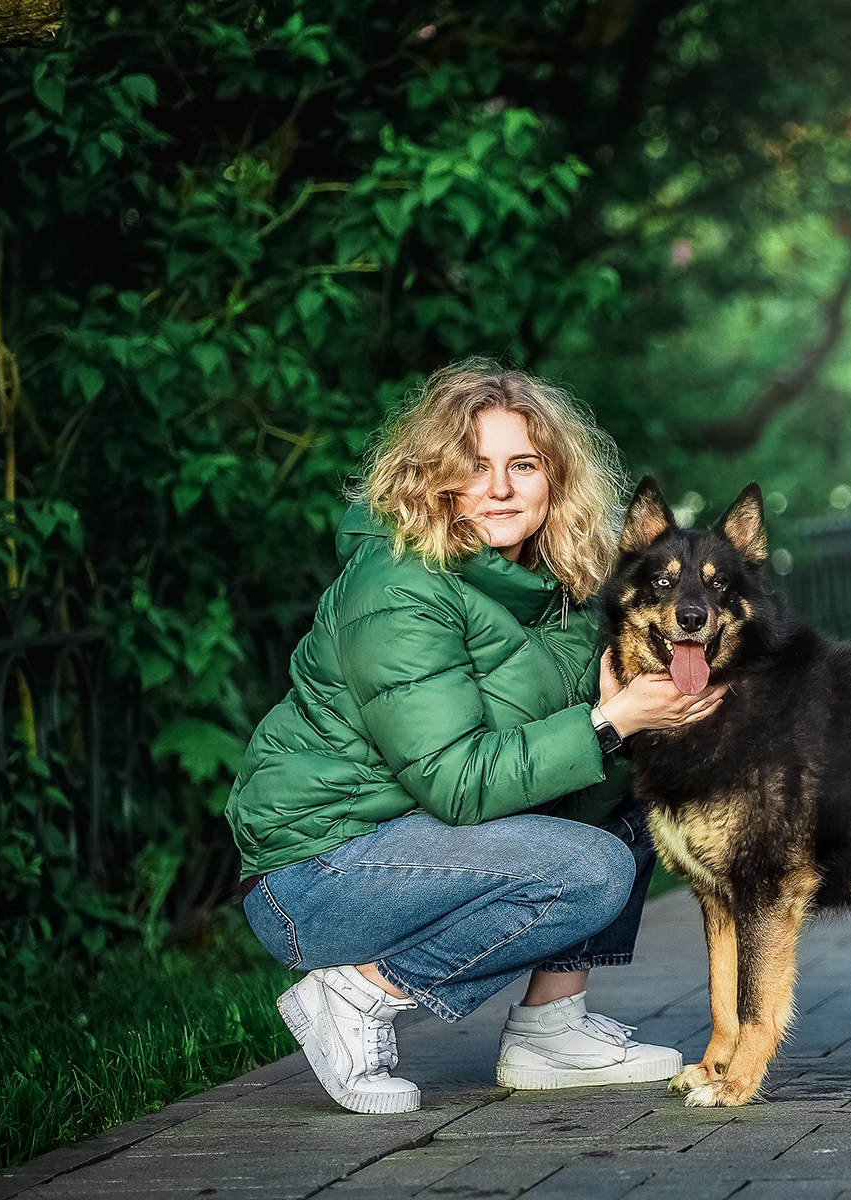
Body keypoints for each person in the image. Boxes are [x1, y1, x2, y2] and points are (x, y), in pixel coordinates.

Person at [225, 362, 725, 1114]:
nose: (499, 487)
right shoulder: (396, 586)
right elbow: (459, 783)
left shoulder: (563, 581)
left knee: (651, 781)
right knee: (589, 868)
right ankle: (360, 996)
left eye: (523, 465)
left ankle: (550, 1028)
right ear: (435, 479)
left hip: (417, 845)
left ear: (555, 480)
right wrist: (612, 719)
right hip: (318, 872)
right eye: (474, 467)